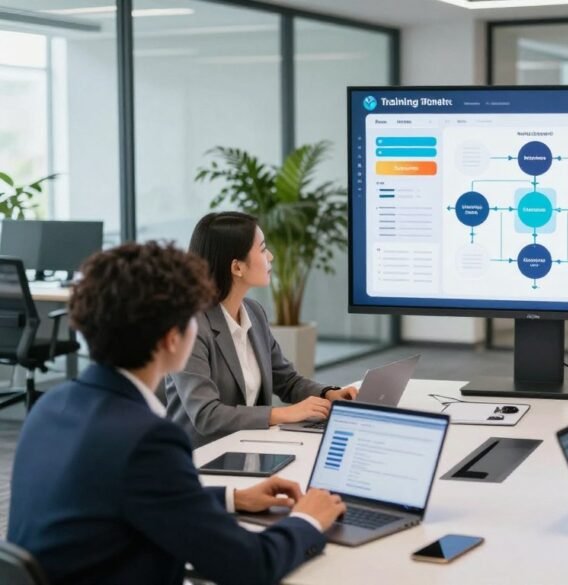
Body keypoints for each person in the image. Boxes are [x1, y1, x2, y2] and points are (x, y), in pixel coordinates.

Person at [8, 242, 347, 585]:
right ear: (173, 338)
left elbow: (127, 498)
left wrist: (233, 498)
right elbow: (249, 565)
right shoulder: (147, 439)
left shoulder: (52, 405)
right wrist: (307, 520)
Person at [165, 211, 357, 447]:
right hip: (203, 456)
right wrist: (282, 414)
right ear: (237, 267)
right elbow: (206, 415)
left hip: (249, 446)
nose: (271, 256)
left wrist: (328, 393)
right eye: (263, 249)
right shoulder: (190, 326)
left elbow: (287, 381)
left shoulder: (254, 312)